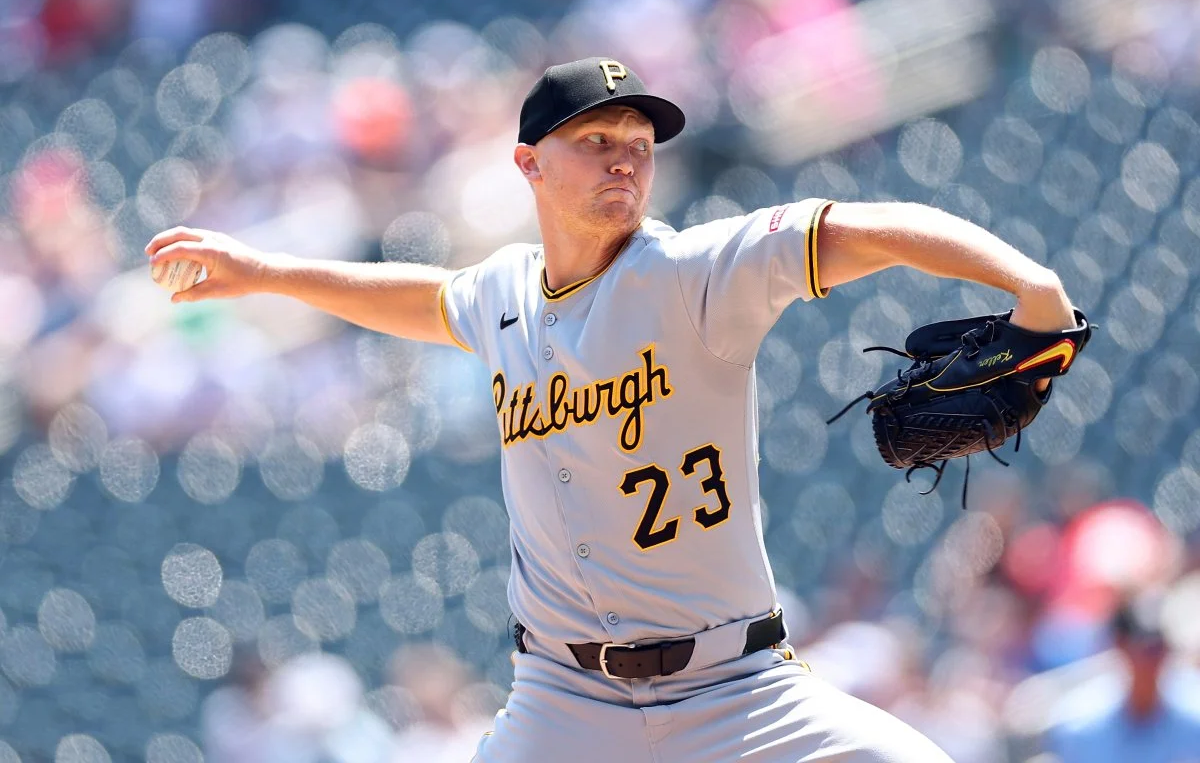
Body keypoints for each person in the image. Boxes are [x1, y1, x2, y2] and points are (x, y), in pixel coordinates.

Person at [148, 57, 1081, 762]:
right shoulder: (501, 293)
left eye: (639, 146)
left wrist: (1030, 282)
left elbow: (864, 228)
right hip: (563, 701)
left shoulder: (694, 272)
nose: (625, 161)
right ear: (529, 163)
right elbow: (421, 297)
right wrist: (266, 271)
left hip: (736, 690)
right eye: (597, 141)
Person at [1045, 598, 1200, 763]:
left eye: (1159, 648)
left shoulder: (1195, 718)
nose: (1152, 660)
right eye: (1144, 649)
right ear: (1121, 646)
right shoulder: (1078, 725)